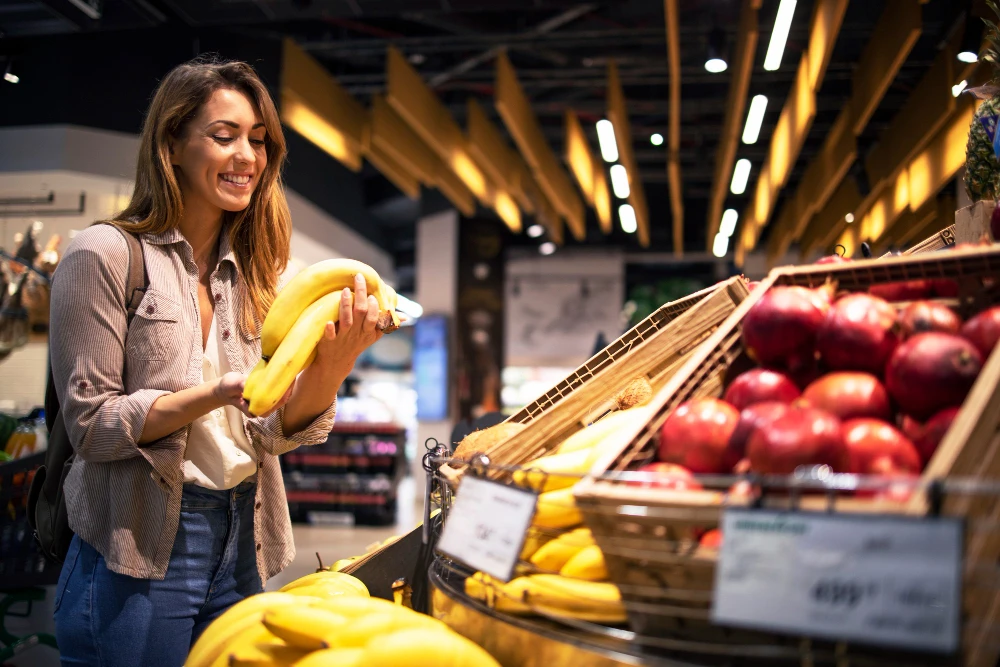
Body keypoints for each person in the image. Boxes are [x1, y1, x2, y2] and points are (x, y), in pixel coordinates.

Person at [48, 56, 383, 666]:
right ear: (171, 143)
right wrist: (216, 392)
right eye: (223, 136)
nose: (247, 157)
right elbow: (93, 426)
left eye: (257, 140)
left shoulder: (258, 276)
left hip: (242, 539)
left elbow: (270, 432)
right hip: (138, 549)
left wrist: (333, 366)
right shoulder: (105, 256)